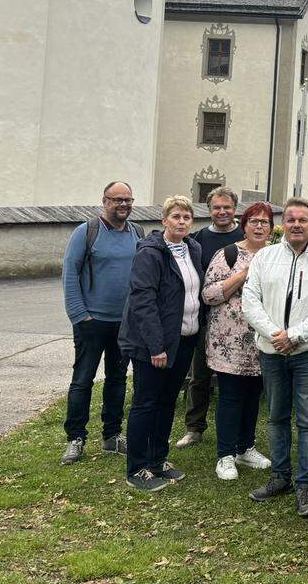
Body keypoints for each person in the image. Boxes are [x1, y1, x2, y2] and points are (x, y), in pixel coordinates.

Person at [244, 198, 308, 516]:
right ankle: (280, 477)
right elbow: (250, 300)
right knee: (275, 416)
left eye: (303, 219)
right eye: (290, 219)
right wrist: (276, 334)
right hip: (272, 351)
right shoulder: (265, 257)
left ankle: (305, 486)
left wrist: (295, 335)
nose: (296, 224)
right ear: (282, 224)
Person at [117, 195, 203, 491]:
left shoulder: (193, 248)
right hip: (153, 345)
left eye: (186, 217)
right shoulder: (150, 253)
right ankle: (137, 467)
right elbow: (143, 301)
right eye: (176, 216)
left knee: (167, 402)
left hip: (184, 340)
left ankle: (158, 459)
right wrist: (156, 346)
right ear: (164, 220)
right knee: (146, 403)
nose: (181, 222)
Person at [59, 181, 142, 465]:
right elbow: (70, 273)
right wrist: (79, 314)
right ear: (104, 201)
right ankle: (76, 438)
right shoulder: (87, 232)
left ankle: (112, 435)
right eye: (117, 200)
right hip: (91, 321)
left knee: (117, 380)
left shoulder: (136, 232)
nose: (123, 205)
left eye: (128, 200)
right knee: (82, 381)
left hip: (124, 323)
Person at [201, 201, 276, 481]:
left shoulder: (275, 255)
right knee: (231, 397)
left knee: (253, 396)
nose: (259, 226)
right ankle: (226, 455)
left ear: (271, 228)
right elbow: (209, 295)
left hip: (261, 340)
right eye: (254, 221)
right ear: (244, 225)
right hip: (229, 341)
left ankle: (246, 447)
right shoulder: (228, 254)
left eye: (264, 222)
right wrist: (244, 274)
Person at [177, 186, 246, 450]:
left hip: (238, 321)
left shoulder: (244, 236)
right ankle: (194, 427)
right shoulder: (197, 239)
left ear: (234, 209)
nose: (222, 212)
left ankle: (238, 429)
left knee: (238, 377)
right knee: (199, 375)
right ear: (209, 210)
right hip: (204, 317)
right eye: (217, 207)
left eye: (227, 207)